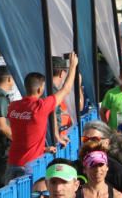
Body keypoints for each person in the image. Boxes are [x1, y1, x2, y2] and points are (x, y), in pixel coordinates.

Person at [5, 53, 79, 183]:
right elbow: (66, 89)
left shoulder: (13, 107)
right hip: (30, 165)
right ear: (40, 89)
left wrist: (44, 149)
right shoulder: (40, 107)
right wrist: (73, 66)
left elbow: (25, 136)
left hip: (12, 162)